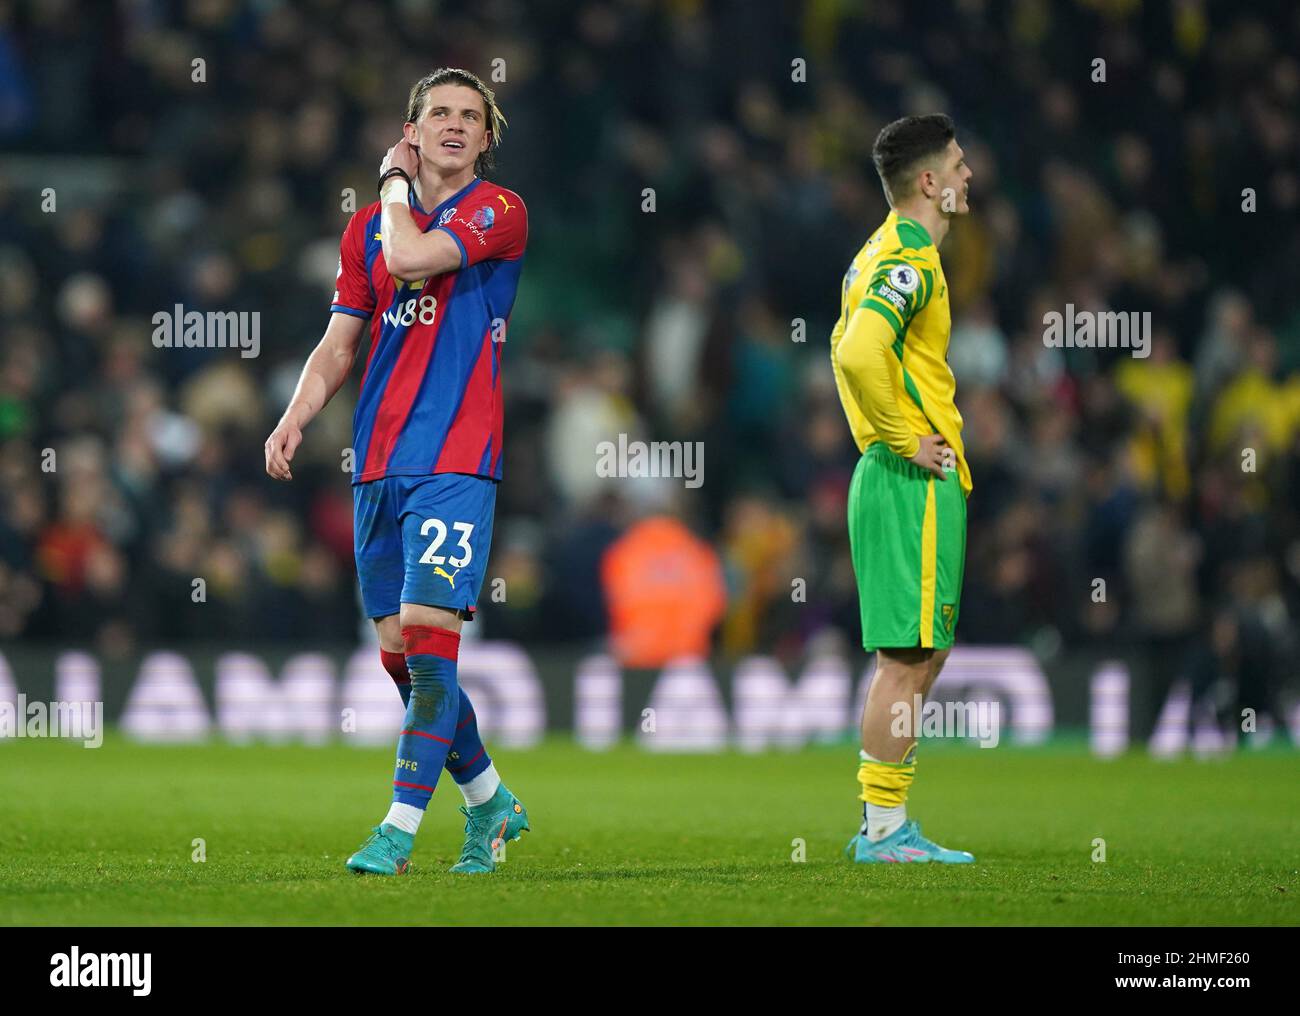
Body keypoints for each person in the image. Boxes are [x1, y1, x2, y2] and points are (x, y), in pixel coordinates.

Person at [264, 67, 529, 875]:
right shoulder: (364, 234)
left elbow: (412, 258)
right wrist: (296, 415)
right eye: (437, 114)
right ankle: (489, 803)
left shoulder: (498, 210)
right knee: (397, 654)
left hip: (455, 459)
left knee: (427, 636)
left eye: (469, 117)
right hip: (377, 464)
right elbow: (341, 342)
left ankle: (398, 830)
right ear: (413, 129)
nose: (454, 125)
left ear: (487, 137)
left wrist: (387, 181)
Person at [828, 114, 976, 864]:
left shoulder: (874, 253)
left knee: (919, 654)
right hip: (907, 479)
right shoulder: (909, 257)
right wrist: (902, 437)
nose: (967, 175)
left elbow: (843, 346)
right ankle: (884, 830)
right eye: (956, 164)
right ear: (929, 183)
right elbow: (858, 353)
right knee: (907, 661)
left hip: (899, 479)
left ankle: (884, 822)